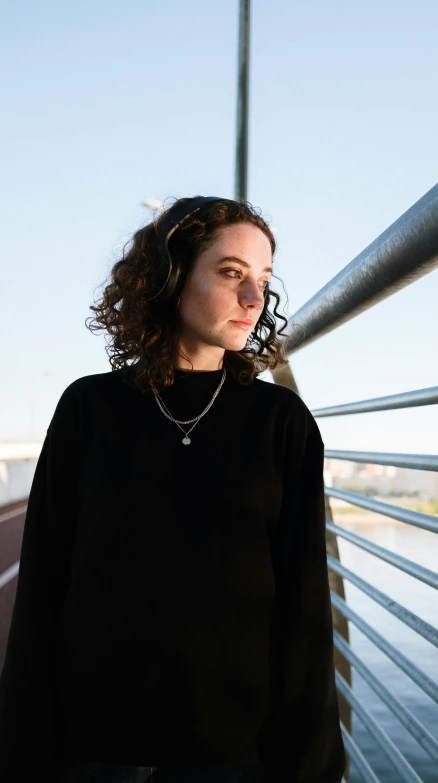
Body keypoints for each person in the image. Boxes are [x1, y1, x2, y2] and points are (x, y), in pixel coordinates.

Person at [0, 196, 346, 783]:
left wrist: (310, 766)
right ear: (170, 273)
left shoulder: (281, 422)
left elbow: (305, 603)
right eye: (231, 272)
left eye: (263, 280)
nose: (254, 299)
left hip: (233, 753)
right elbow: (42, 586)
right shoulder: (88, 407)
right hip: (92, 744)